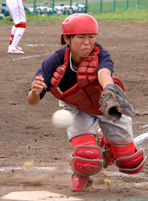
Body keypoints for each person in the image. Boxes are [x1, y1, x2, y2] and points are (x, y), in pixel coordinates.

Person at [27, 13, 146, 192]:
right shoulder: (56, 61)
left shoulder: (101, 54)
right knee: (86, 157)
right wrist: (35, 92)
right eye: (81, 37)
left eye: (91, 36)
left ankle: (106, 147)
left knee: (130, 162)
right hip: (75, 109)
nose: (87, 42)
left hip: (106, 106)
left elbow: (103, 73)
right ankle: (82, 172)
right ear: (67, 39)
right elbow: (32, 101)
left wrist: (109, 89)